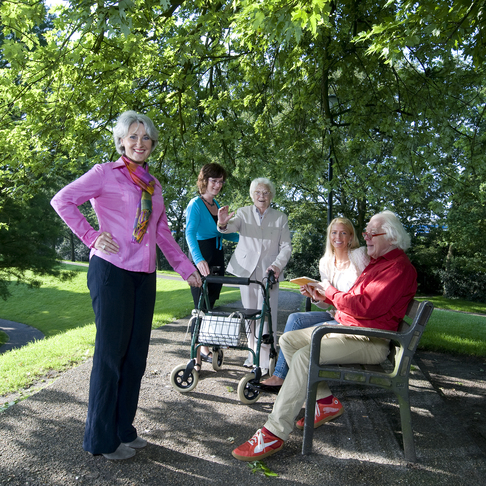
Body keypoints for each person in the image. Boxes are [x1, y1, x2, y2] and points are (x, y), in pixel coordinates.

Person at [51, 110, 201, 461]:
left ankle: (123, 430)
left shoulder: (153, 185)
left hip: (143, 276)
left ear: (152, 144)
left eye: (145, 137)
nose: (139, 143)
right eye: (132, 137)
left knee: (135, 357)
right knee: (110, 357)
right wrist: (91, 236)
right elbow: (63, 200)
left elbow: (161, 233)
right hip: (111, 272)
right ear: (121, 142)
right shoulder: (105, 173)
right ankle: (100, 440)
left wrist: (185, 268)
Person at [231, 210, 417, 461]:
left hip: (371, 339)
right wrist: (326, 298)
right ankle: (325, 400)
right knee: (288, 339)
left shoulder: (398, 268)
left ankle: (273, 432)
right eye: (366, 233)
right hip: (351, 329)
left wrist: (329, 290)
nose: (367, 237)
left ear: (392, 237)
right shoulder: (379, 263)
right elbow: (354, 301)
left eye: (373, 233)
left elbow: (364, 307)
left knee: (306, 356)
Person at [256, 217, 369, 394]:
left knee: (313, 331)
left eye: (343, 233)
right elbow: (328, 303)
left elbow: (365, 294)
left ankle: (292, 381)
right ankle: (281, 376)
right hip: (335, 313)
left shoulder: (360, 257)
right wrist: (315, 297)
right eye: (334, 232)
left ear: (350, 237)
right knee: (295, 318)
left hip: (352, 318)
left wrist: (329, 296)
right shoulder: (326, 262)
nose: (337, 237)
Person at [217, 177, 292, 374]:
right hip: (246, 269)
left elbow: (286, 246)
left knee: (268, 313)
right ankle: (252, 352)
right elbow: (229, 227)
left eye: (266, 193)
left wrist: (276, 266)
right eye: (258, 192)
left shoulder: (280, 217)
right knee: (250, 313)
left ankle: (266, 355)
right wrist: (223, 223)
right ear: (252, 195)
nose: (261, 196)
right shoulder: (243, 212)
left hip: (270, 271)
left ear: (271, 196)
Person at [185, 163, 239, 367]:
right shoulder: (195, 204)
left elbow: (226, 233)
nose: (218, 185)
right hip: (202, 257)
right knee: (200, 307)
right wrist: (198, 260)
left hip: (217, 257)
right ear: (204, 181)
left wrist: (250, 237)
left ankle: (205, 348)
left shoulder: (217, 205)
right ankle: (195, 358)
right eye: (214, 180)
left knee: (209, 306)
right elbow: (189, 233)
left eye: (220, 181)